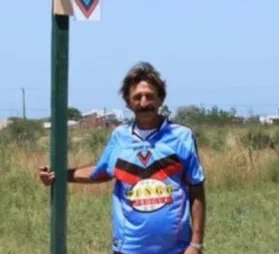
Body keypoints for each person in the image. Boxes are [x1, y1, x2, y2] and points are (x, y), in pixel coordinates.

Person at [38, 62, 205, 254]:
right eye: (137, 97)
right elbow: (101, 172)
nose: (144, 102)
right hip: (128, 249)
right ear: (128, 103)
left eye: (150, 96)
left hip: (176, 249)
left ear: (160, 99)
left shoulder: (181, 136)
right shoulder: (120, 136)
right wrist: (59, 174)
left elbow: (197, 189)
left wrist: (196, 244)